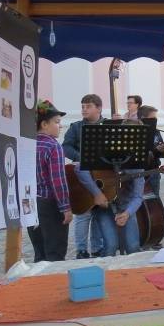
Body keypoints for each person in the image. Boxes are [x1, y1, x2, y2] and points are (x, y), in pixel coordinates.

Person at [76, 121, 145, 257]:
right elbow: (79, 168)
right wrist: (97, 193)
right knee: (111, 246)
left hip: (125, 206)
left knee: (133, 247)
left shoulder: (137, 163)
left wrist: (127, 213)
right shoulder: (105, 154)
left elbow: (138, 196)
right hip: (105, 207)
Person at [27, 100, 73, 262]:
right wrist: (65, 208)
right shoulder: (53, 146)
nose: (60, 126)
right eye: (57, 122)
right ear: (44, 124)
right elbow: (57, 181)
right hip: (49, 204)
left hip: (30, 203)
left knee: (39, 253)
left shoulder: (26, 144)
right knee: (55, 253)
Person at [62, 93, 105, 258]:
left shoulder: (108, 125)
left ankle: (97, 247)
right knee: (83, 212)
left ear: (99, 108)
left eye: (88, 106)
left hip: (103, 175)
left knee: (98, 212)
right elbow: (66, 147)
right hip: (82, 176)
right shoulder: (76, 127)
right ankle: (81, 250)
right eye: (82, 107)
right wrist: (82, 157)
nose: (84, 110)